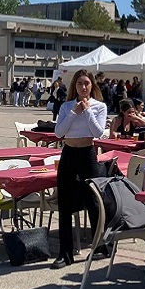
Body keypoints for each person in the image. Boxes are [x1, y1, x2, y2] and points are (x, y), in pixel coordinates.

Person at [51, 69, 108, 269]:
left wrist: (87, 111)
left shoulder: (99, 106)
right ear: (74, 86)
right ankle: (65, 254)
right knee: (64, 202)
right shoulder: (67, 106)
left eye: (86, 83)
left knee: (93, 200)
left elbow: (98, 132)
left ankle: (99, 243)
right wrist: (74, 112)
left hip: (87, 153)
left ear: (92, 85)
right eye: (79, 84)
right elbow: (59, 132)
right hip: (69, 153)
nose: (83, 87)